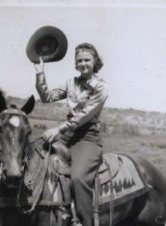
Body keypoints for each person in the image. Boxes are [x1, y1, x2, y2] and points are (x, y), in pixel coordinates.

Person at [33, 42, 108, 226]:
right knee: (38, 163)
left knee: (78, 177)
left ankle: (84, 221)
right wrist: (39, 72)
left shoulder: (101, 87)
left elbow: (84, 116)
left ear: (95, 61)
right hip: (68, 136)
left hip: (88, 137)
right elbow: (47, 97)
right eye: (79, 60)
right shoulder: (71, 83)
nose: (83, 63)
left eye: (87, 60)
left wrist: (58, 129)